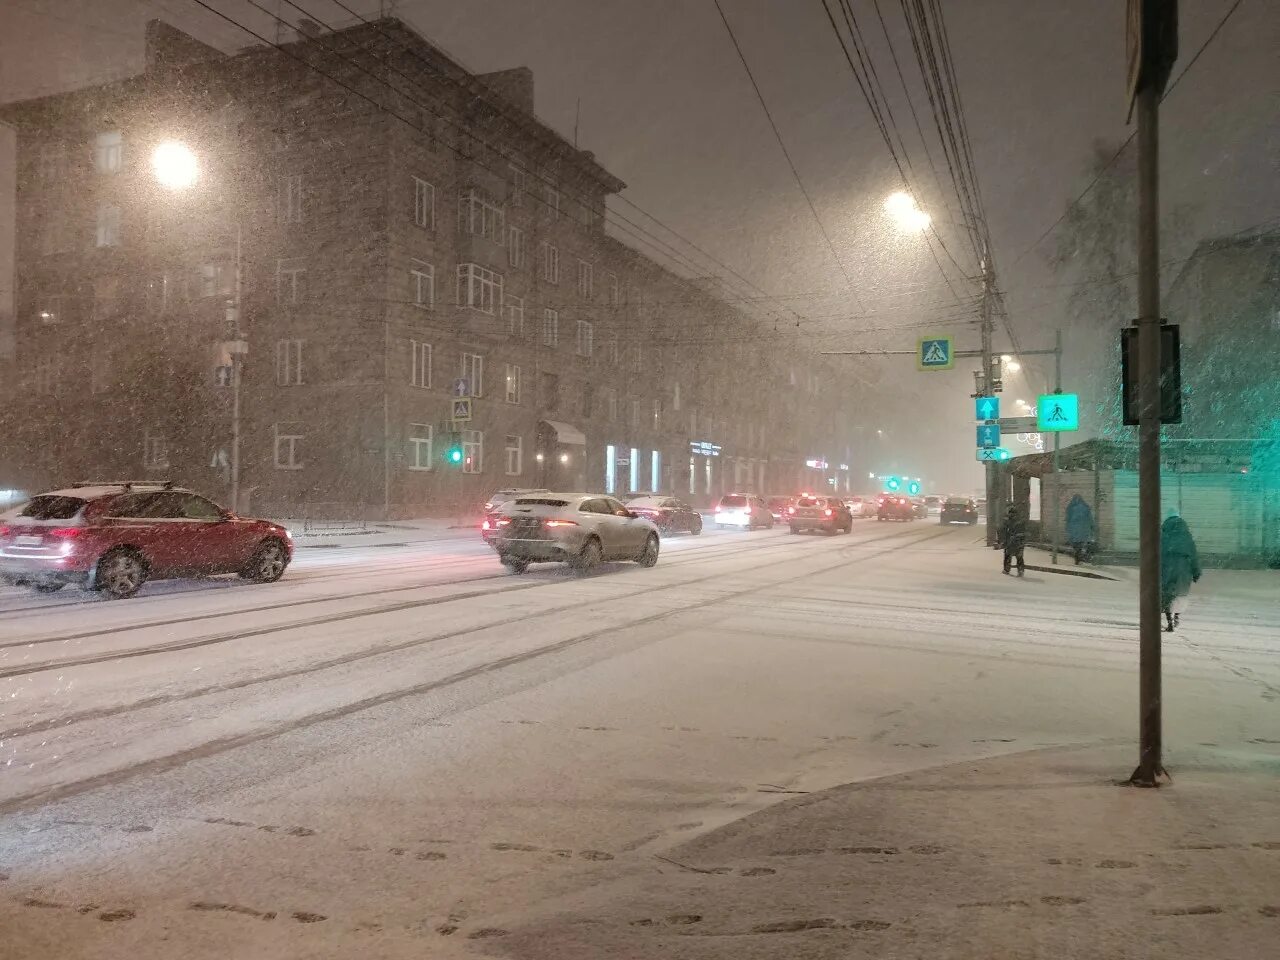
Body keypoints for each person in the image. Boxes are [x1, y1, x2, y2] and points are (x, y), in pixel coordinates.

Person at [1160, 514, 1201, 632]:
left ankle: (1170, 620)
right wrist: (1196, 571)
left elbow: (1156, 554)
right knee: (1179, 594)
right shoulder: (1186, 537)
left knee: (1167, 594)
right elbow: (1193, 556)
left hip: (1166, 567)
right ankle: (1176, 617)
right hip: (1183, 569)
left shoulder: (1163, 536)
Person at [1064, 494, 1094, 565]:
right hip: (1082, 530)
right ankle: (1079, 558)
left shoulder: (1071, 507)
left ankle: (1077, 558)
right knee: (1080, 544)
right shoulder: (1085, 507)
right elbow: (1090, 519)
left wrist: (1068, 528)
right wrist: (1092, 527)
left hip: (1074, 530)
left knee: (1076, 545)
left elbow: (1068, 519)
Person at [999, 506, 1026, 577]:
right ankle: (1020, 570)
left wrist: (1004, 541)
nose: (1012, 515)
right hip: (1017, 542)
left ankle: (1007, 569)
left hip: (1012, 541)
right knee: (1018, 556)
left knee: (1008, 555)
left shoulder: (1008, 521)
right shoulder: (1019, 521)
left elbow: (1004, 531)